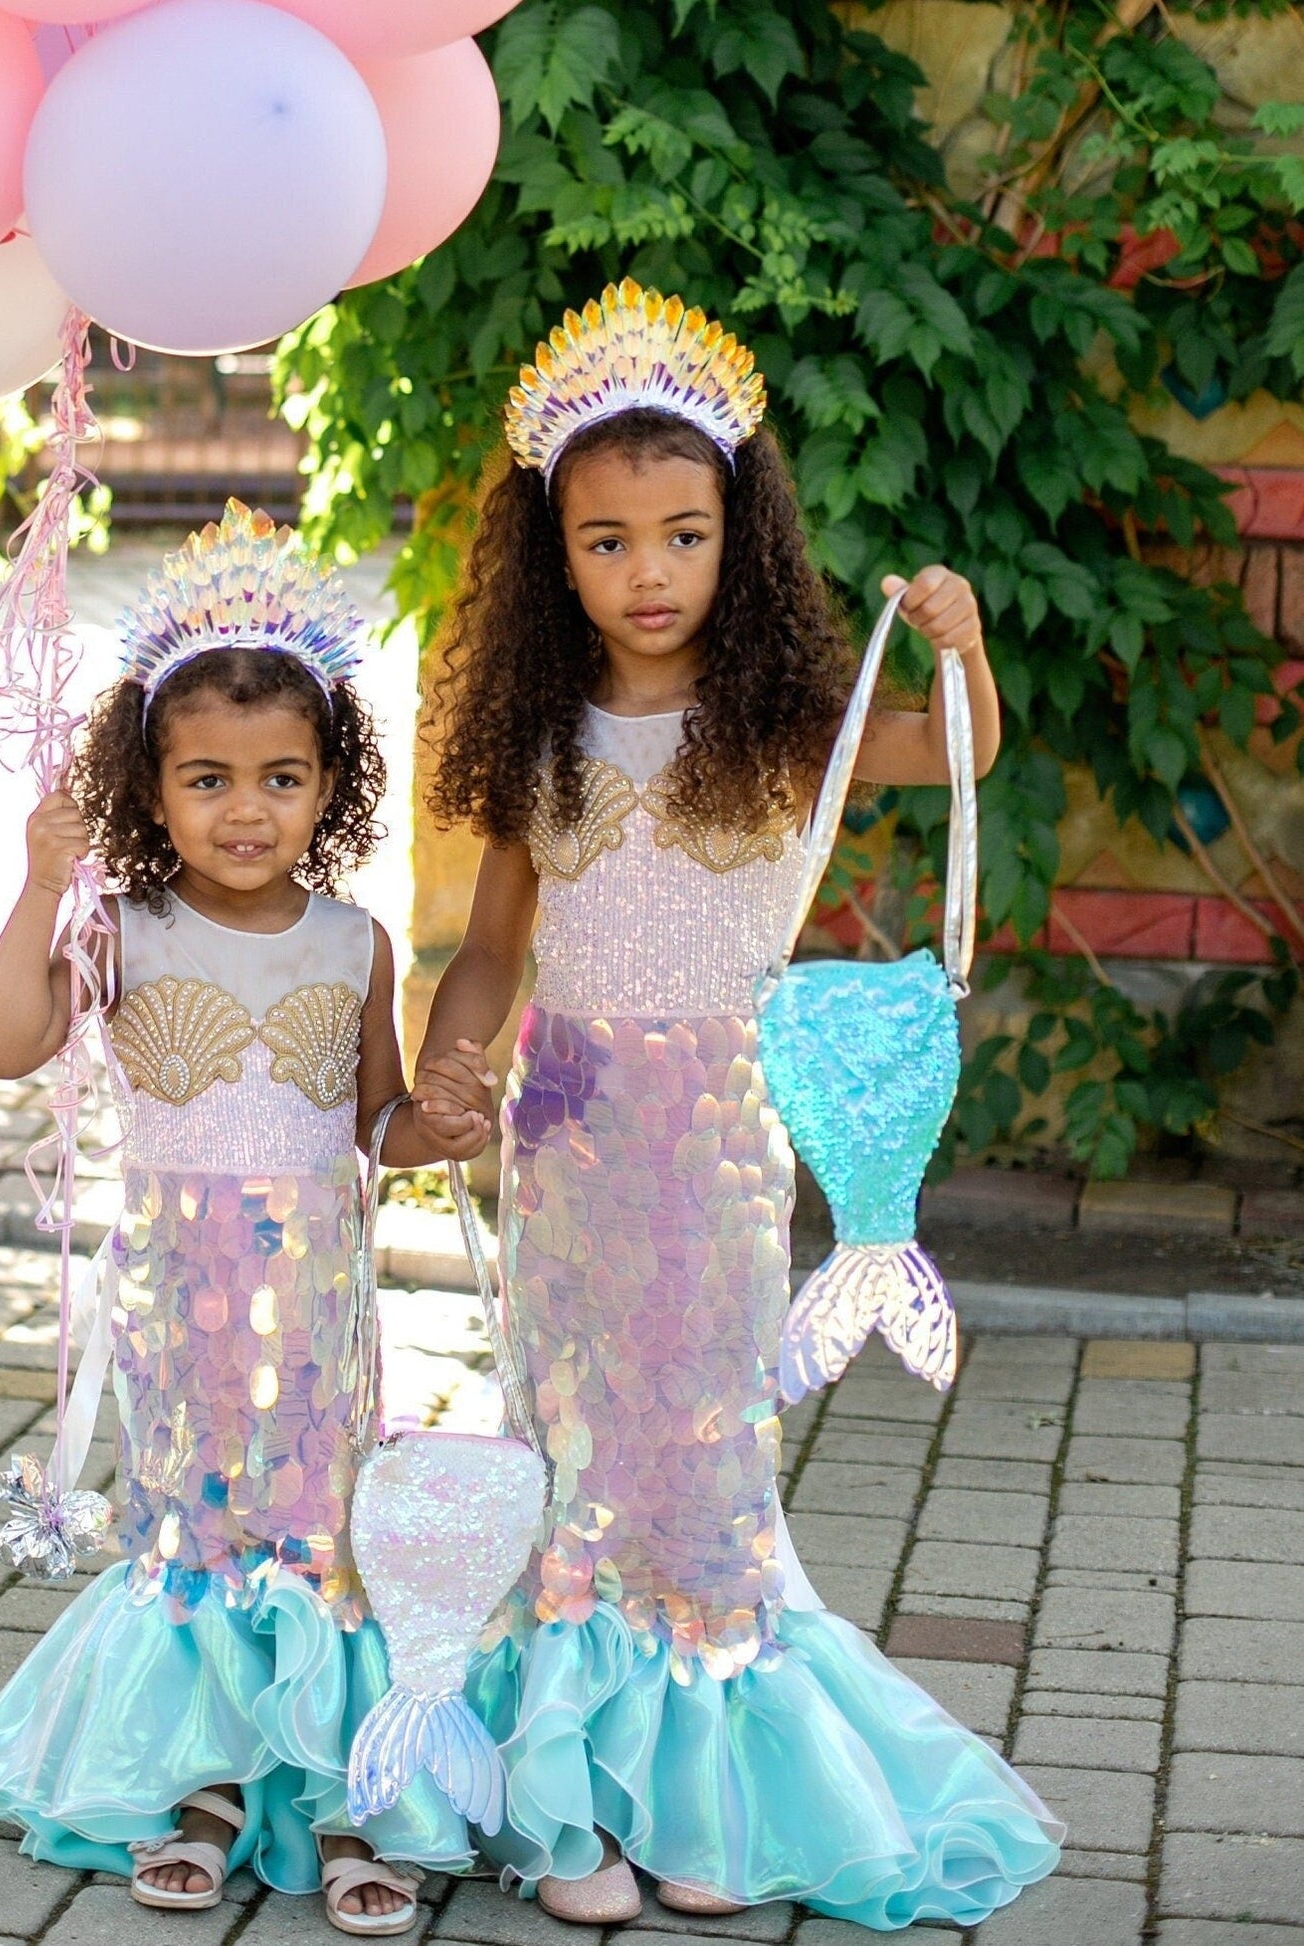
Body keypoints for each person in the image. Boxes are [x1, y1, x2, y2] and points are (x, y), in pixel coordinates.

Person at [412, 284, 1064, 1929]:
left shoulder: (779, 723)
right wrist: (447, 1061)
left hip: (713, 1140)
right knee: (571, 1436)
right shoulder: (543, 738)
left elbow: (961, 751)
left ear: (736, 539)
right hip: (565, 1137)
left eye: (682, 535)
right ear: (555, 554)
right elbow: (491, 950)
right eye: (607, 540)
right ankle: (569, 1798)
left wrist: (962, 644)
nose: (647, 571)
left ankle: (697, 1780)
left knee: (704, 1438)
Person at [0, 503, 489, 1939]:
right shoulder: (122, 930)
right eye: (206, 779)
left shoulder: (353, 940)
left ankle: (346, 1790)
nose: (247, 810)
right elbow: (2, 1043)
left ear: (329, 784)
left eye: (281, 778)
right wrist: (39, 884)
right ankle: (202, 1785)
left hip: (317, 1322)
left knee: (320, 1531)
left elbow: (374, 1122)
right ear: (150, 786)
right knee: (198, 1525)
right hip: (180, 1315)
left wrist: (438, 1127)